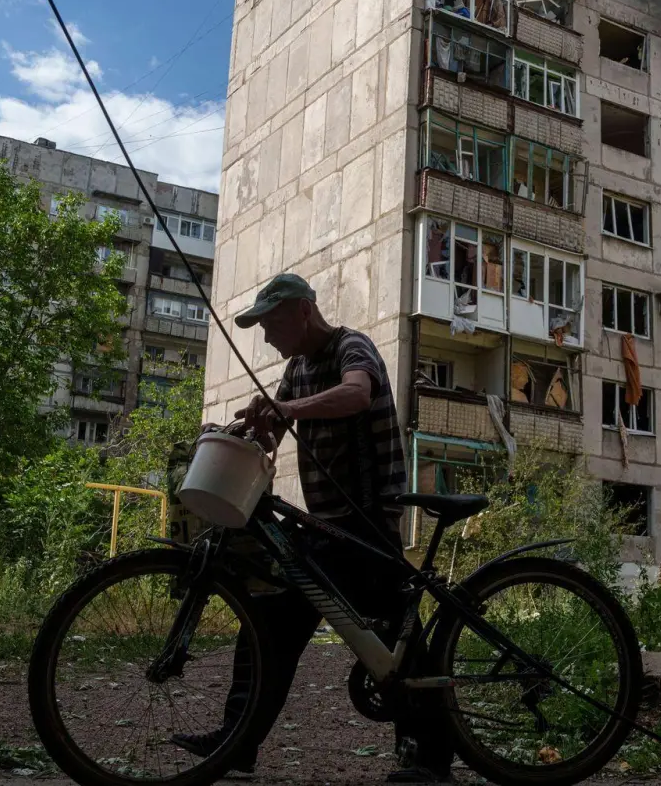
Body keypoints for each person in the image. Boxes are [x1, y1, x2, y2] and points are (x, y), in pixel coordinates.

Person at [172, 273, 454, 784]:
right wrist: (238, 429)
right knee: (269, 624)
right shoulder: (297, 368)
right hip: (329, 527)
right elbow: (274, 425)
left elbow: (355, 395)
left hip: (368, 522)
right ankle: (238, 743)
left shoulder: (352, 347)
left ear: (303, 311)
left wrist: (289, 408)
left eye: (271, 322)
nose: (266, 336)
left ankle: (431, 761)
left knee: (396, 640)